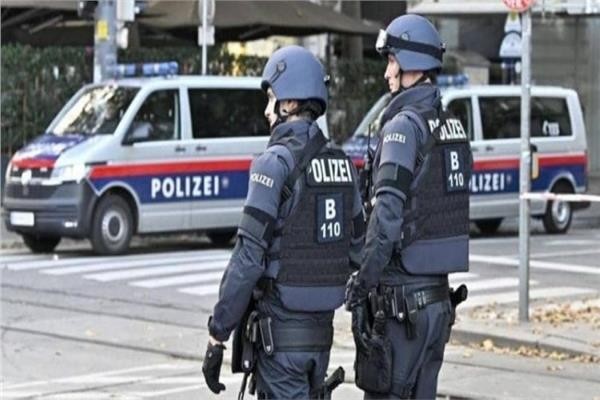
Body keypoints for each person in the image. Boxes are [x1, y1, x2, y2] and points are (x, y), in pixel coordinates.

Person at [202, 45, 365, 399]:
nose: (266, 110)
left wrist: (218, 334)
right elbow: (357, 250)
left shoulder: (273, 164)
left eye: (270, 99)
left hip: (280, 339)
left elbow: (247, 259)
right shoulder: (343, 166)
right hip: (321, 339)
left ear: (289, 103)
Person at [346, 14, 472, 399]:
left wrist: (361, 284)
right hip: (438, 304)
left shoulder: (403, 127)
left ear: (412, 65)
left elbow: (386, 217)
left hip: (403, 309)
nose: (387, 72)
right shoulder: (452, 126)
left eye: (392, 61)